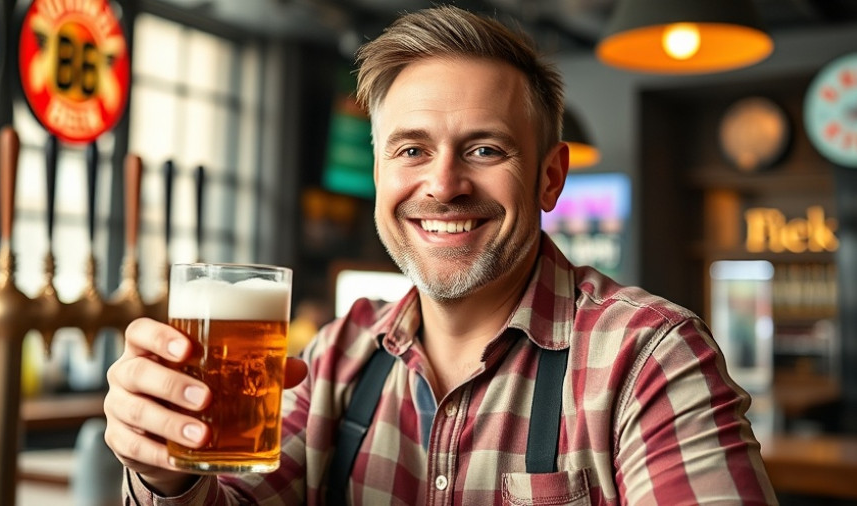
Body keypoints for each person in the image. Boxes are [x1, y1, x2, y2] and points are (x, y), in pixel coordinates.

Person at [104, 6, 778, 505]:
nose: (444, 184)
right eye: (411, 149)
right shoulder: (340, 355)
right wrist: (170, 476)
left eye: (485, 149)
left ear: (550, 177)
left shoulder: (649, 355)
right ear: (378, 173)